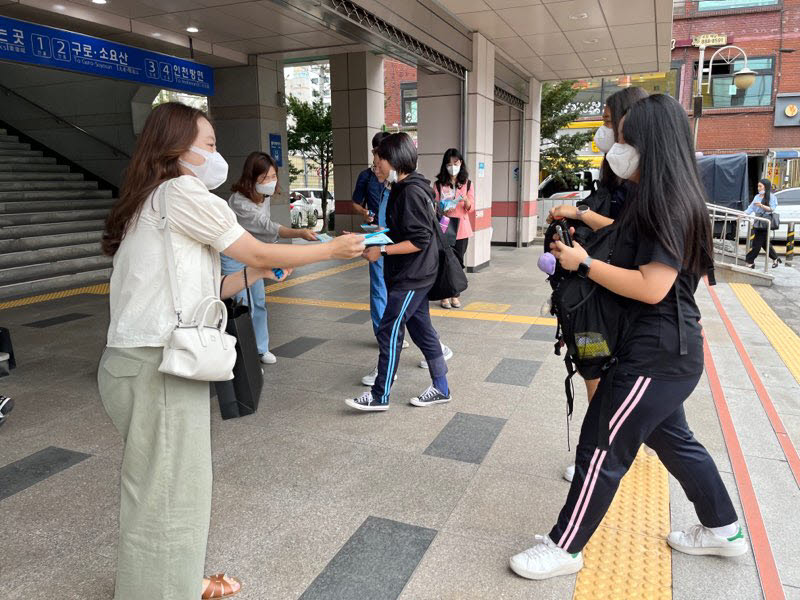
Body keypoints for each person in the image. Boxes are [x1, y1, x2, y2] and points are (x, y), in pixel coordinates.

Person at [98, 102, 364, 600]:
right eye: (210, 145)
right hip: (158, 367)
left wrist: (256, 276)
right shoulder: (180, 191)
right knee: (173, 495)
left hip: (140, 364)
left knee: (160, 490)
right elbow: (258, 248)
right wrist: (330, 249)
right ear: (177, 149)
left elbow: (209, 287)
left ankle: (170, 581)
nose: (217, 156)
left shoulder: (148, 200)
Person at [509, 94, 746, 581]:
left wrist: (585, 265)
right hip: (668, 349)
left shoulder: (667, 204)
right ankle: (724, 528)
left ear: (649, 145)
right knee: (674, 439)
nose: (617, 148)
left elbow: (652, 285)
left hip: (656, 353)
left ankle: (565, 545)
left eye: (625, 140)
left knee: (601, 444)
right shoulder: (660, 197)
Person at [546, 86, 649, 483]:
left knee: (596, 372)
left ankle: (599, 458)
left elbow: (630, 236)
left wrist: (582, 220)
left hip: (611, 296)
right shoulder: (618, 174)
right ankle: (722, 522)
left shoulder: (645, 187)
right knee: (668, 426)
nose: (604, 133)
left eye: (609, 124)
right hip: (599, 292)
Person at [346, 133, 451, 411]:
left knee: (389, 330)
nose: (375, 167)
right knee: (423, 332)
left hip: (413, 275)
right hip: (415, 272)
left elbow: (419, 240)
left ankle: (380, 395)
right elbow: (403, 230)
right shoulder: (405, 187)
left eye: (377, 162)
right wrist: (367, 239)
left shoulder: (411, 191)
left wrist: (380, 251)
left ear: (394, 160)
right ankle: (442, 387)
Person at [221, 151, 318, 365]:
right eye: (264, 178)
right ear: (251, 179)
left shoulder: (262, 196)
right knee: (241, 305)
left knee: (258, 302)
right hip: (234, 255)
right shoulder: (239, 201)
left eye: (273, 176)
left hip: (254, 253)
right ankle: (239, 354)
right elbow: (267, 227)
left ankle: (260, 348)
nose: (270, 182)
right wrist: (299, 233)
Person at [433, 148, 474, 309]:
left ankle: (455, 294)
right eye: (449, 164)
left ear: (460, 163)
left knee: (458, 262)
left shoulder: (467, 183)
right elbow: (434, 207)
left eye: (455, 163)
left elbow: (471, 206)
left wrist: (464, 200)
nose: (452, 166)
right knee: (444, 261)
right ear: (445, 165)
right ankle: (444, 295)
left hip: (462, 229)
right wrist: (443, 206)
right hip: (444, 227)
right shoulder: (438, 184)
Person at [745, 178, 781, 269]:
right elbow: (750, 208)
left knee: (757, 243)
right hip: (758, 221)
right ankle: (775, 258)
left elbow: (772, 209)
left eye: (760, 186)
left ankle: (750, 260)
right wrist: (742, 214)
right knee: (764, 243)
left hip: (765, 222)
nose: (758, 188)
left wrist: (761, 205)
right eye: (758, 186)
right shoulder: (757, 197)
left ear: (766, 187)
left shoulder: (772, 197)